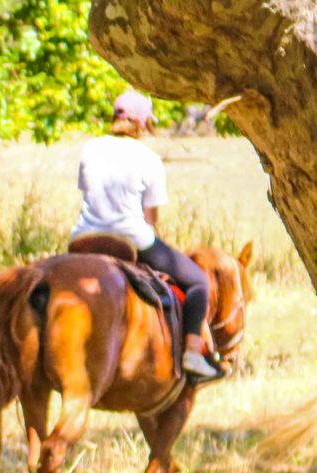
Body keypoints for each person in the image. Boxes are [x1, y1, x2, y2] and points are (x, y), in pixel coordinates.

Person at [71, 90, 221, 380]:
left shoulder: (90, 149)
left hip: (83, 238)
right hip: (131, 240)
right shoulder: (148, 158)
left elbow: (88, 194)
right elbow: (149, 219)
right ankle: (191, 353)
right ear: (143, 123)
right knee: (198, 281)